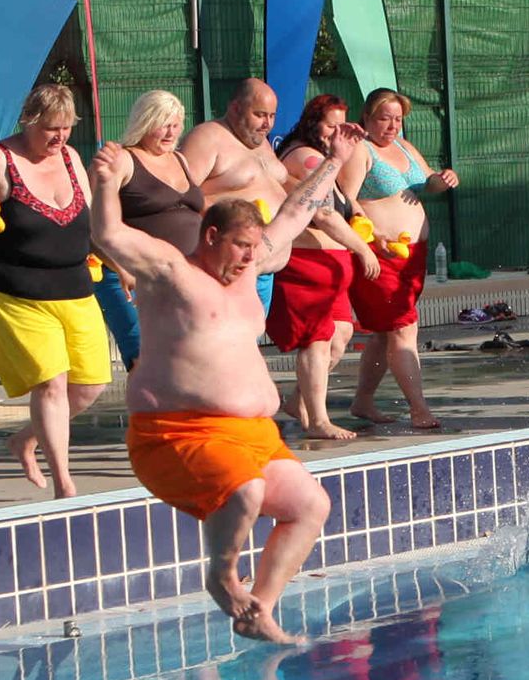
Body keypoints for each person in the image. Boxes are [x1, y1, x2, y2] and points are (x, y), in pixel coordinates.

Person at [89, 128, 353, 643]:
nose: (250, 259)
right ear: (211, 236)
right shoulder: (171, 272)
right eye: (241, 247)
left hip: (253, 435)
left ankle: (259, 611)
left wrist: (334, 162)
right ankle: (220, 575)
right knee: (246, 489)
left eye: (256, 249)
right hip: (177, 432)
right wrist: (103, 183)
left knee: (309, 506)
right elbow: (109, 235)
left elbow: (297, 210)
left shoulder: (251, 261)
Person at [0, 83, 109, 499]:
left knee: (89, 385)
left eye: (66, 128)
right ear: (29, 120)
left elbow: (89, 221)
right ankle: (65, 486)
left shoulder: (70, 157)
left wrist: (123, 263)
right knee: (51, 382)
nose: (59, 137)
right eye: (50, 128)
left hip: (73, 285)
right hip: (13, 289)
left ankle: (26, 439)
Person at [339, 88, 458, 430]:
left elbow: (427, 184)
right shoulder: (361, 151)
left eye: (397, 119)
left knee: (383, 333)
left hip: (412, 256)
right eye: (384, 118)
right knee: (403, 329)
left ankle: (362, 401)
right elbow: (347, 200)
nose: (391, 125)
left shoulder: (404, 147)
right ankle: (419, 407)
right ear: (367, 117)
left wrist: (443, 179)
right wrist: (373, 237)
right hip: (382, 253)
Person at [272, 95, 383, 440]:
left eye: (340, 125)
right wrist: (362, 248)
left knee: (341, 336)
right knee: (318, 340)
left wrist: (358, 214)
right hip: (309, 262)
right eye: (329, 125)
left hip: (330, 263)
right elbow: (322, 212)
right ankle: (319, 421)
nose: (335, 132)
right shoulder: (305, 156)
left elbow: (340, 202)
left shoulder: (324, 159)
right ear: (311, 122)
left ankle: (298, 402)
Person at [92, 89, 203, 370]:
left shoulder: (180, 160)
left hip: (182, 277)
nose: (170, 132)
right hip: (130, 275)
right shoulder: (122, 160)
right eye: (162, 124)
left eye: (175, 124)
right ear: (144, 121)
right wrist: (121, 268)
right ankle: (146, 414)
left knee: (185, 357)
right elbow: (93, 224)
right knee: (146, 359)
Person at [180, 80, 289, 313]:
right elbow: (182, 192)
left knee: (246, 343)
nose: (267, 124)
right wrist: (231, 220)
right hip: (226, 269)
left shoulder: (261, 143)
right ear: (236, 108)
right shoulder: (208, 137)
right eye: (259, 114)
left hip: (263, 271)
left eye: (272, 116)